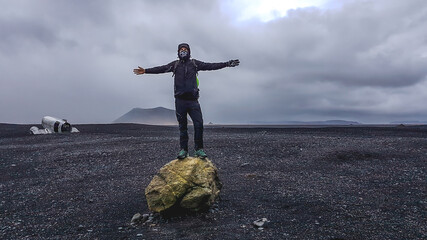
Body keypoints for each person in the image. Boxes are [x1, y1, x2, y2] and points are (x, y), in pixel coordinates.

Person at [133, 43, 239, 159]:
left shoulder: (195, 64)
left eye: (185, 49)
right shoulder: (175, 65)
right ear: (178, 52)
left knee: (198, 125)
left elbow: (210, 66)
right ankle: (184, 150)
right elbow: (161, 68)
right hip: (180, 101)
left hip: (193, 101)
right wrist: (146, 71)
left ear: (189, 51)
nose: (183, 51)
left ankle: (199, 149)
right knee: (182, 127)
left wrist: (227, 64)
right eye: (181, 49)